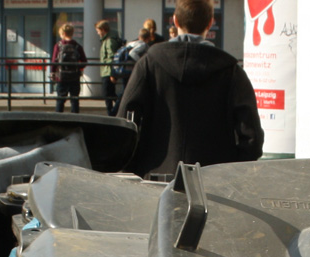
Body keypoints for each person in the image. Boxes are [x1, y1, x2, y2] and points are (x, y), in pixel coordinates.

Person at [116, 0, 264, 178]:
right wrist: (231, 172)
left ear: (175, 21)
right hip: (213, 182)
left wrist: (135, 166)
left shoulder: (149, 64)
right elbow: (252, 137)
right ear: (210, 23)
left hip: (155, 178)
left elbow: (124, 124)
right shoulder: (231, 71)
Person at [109, 29, 151, 116]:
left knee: (125, 90)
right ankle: (115, 111)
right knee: (126, 91)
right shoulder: (143, 45)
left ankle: (115, 110)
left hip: (125, 69)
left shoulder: (132, 43)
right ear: (148, 38)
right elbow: (132, 53)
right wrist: (140, 62)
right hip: (130, 70)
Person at [49, 23, 87, 114]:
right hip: (74, 77)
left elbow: (54, 61)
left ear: (63, 33)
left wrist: (52, 73)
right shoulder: (77, 46)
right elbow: (84, 61)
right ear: (72, 33)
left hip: (61, 77)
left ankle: (58, 119)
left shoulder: (58, 45)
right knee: (74, 100)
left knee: (60, 100)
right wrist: (78, 68)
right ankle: (75, 119)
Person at [96, 20, 124, 116]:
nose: (97, 33)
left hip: (108, 71)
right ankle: (115, 110)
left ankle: (112, 112)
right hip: (107, 71)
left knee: (107, 94)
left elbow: (112, 58)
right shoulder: (108, 40)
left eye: (98, 30)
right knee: (110, 94)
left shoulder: (109, 41)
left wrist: (112, 73)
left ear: (103, 30)